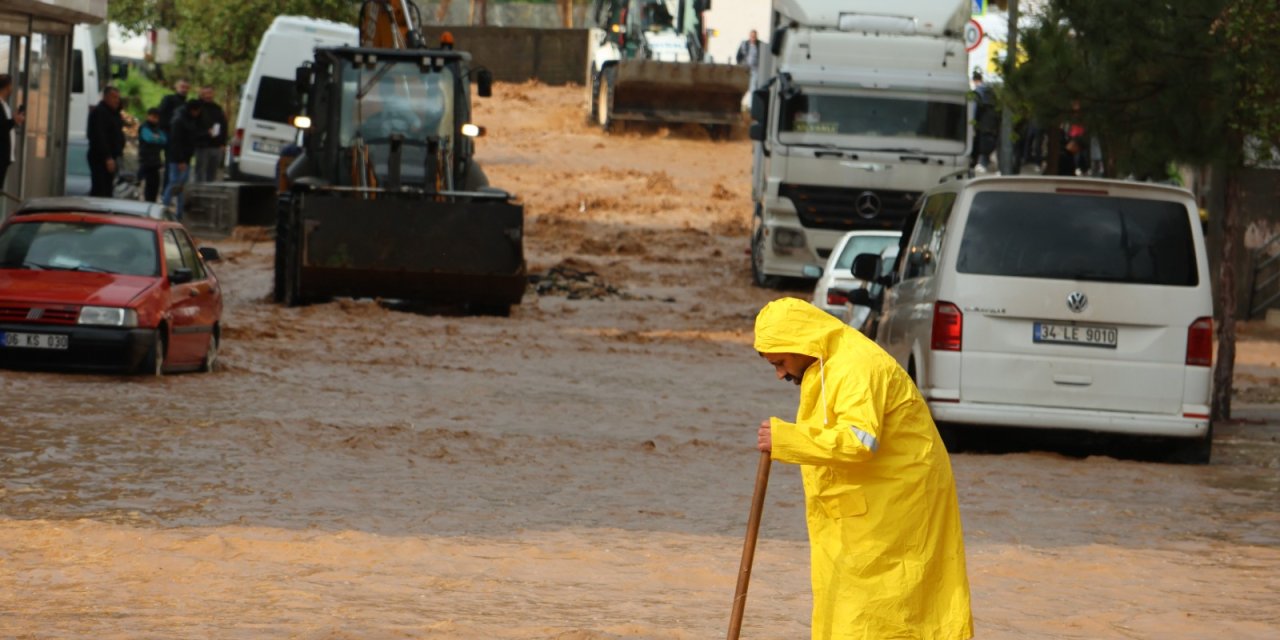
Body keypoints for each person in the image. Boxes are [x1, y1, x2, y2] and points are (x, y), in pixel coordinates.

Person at [753, 297, 973, 640]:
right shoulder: (827, 363)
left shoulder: (855, 366)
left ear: (800, 344)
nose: (780, 373)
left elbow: (859, 441)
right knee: (850, 610)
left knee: (879, 611)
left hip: (896, 507)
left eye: (780, 362)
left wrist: (787, 439)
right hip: (869, 506)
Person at [163, 99, 202, 220]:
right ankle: (163, 210)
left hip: (186, 158)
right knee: (174, 184)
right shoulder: (179, 120)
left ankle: (179, 215)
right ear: (193, 110)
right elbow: (176, 142)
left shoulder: (189, 119)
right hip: (178, 159)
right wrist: (180, 160)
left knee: (181, 188)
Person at [86, 86, 125, 198]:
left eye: (118, 98)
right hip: (101, 157)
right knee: (100, 190)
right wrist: (107, 157)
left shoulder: (114, 114)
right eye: (114, 97)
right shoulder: (99, 112)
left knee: (108, 190)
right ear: (105, 97)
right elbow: (99, 137)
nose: (117, 100)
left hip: (113, 156)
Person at [193, 86, 227, 183]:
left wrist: (223, 143)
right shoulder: (196, 107)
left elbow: (224, 126)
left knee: (212, 174)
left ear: (213, 94)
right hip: (202, 145)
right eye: (205, 93)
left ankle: (208, 194)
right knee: (200, 173)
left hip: (216, 146)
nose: (208, 95)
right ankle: (198, 194)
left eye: (210, 93)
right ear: (201, 94)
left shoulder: (218, 108)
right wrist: (205, 133)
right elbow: (193, 127)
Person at [138, 108, 168, 203]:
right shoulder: (144, 127)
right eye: (153, 117)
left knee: (155, 185)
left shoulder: (157, 128)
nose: (155, 119)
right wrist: (156, 138)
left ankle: (152, 203)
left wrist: (156, 138)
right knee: (147, 186)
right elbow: (149, 138)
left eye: (157, 117)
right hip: (146, 161)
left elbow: (164, 140)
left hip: (155, 161)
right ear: (148, 116)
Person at [970, 71, 998, 172]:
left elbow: (974, 109)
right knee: (986, 143)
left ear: (975, 81)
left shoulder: (978, 92)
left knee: (980, 143)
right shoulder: (990, 91)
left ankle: (980, 163)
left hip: (981, 123)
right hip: (992, 123)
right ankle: (984, 162)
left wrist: (972, 123)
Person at [0, 74, 24, 190]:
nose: (12, 88)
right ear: (7, 87)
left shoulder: (5, 105)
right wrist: (13, 121)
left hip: (4, 157)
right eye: (11, 85)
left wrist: (14, 121)